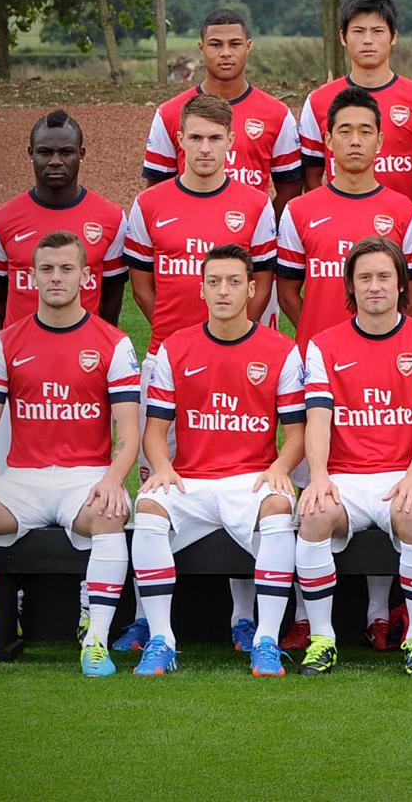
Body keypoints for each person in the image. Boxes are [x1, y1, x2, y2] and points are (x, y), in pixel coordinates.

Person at [0, 232, 141, 676]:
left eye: (66, 269)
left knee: (110, 513)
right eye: (47, 269)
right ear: (31, 276)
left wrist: (112, 481)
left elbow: (128, 432)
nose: (56, 278)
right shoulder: (4, 343)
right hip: (22, 480)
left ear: (86, 276)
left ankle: (95, 642)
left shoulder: (114, 343)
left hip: (86, 478)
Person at [128, 244, 304, 676]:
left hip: (252, 480)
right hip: (190, 480)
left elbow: (298, 434)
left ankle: (265, 639)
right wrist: (163, 467)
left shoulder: (282, 350)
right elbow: (155, 433)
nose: (223, 290)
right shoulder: (175, 348)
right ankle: (161, 639)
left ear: (252, 289)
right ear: (201, 290)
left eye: (233, 282)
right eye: (214, 282)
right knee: (147, 507)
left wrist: (280, 467)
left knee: (278, 507)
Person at [285, 237, 412, 677]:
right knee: (315, 513)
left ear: (401, 284)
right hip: (346, 476)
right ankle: (322, 639)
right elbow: (318, 419)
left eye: (383, 277)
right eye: (364, 278)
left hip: (405, 472)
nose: (374, 286)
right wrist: (319, 476)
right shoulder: (323, 345)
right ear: (351, 287)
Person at [277, 85, 412, 350]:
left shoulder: (406, 213)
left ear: (379, 141)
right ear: (328, 140)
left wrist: (381, 341)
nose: (355, 141)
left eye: (365, 132)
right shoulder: (297, 211)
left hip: (384, 355)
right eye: (345, 132)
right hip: (320, 359)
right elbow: (286, 294)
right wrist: (321, 342)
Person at [123, 93, 277, 355]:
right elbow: (141, 288)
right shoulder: (147, 204)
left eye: (215, 138)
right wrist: (175, 337)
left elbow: (262, 285)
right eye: (196, 138)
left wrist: (231, 334)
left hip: (233, 352)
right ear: (180, 139)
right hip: (165, 352)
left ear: (230, 141)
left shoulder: (257, 205)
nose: (205, 148)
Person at [142, 8, 303, 214]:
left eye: (234, 44)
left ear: (248, 47)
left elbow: (290, 188)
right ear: (201, 48)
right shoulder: (169, 113)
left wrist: (262, 226)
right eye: (216, 44)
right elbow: (156, 189)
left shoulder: (278, 115)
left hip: (247, 233)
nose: (226, 53)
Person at [298, 0, 412, 204]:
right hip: (341, 223)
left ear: (393, 37)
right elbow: (310, 176)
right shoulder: (317, 102)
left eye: (377, 31)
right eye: (358, 31)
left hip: (400, 224)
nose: (368, 40)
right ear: (343, 37)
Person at [0, 109, 127, 330]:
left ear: (81, 154)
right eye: (45, 152)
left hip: (86, 347)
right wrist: (11, 341)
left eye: (66, 152)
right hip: (22, 347)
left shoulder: (112, 219)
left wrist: (99, 341)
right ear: (31, 153)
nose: (55, 161)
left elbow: (112, 298)